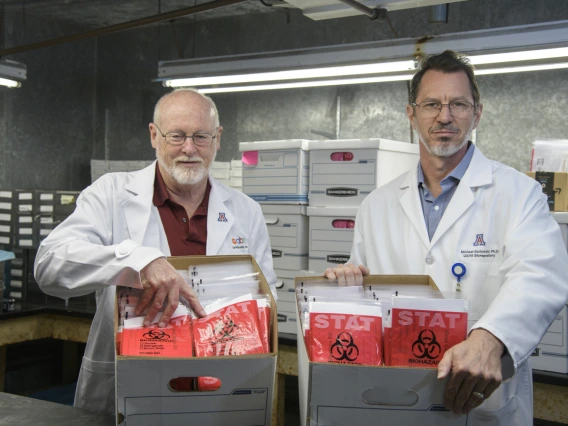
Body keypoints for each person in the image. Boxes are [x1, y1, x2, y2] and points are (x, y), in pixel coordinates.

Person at [324, 50, 568, 425]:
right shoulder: (377, 205)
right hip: (397, 397)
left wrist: (490, 337)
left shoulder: (519, 193)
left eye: (458, 103)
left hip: (481, 401)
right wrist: (343, 289)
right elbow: (368, 294)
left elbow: (543, 276)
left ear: (477, 113)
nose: (445, 115)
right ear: (411, 114)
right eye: (432, 104)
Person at [34, 88, 277, 415]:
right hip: (130, 388)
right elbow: (50, 266)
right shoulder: (111, 194)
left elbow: (267, 299)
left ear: (218, 139)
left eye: (201, 136)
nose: (188, 148)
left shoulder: (246, 211)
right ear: (154, 135)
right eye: (176, 135)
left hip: (220, 389)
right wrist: (137, 259)